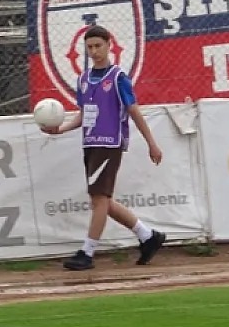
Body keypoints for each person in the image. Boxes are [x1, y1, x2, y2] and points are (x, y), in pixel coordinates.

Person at [39, 25, 166, 271]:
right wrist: (61, 129)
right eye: (90, 47)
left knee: (99, 199)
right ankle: (148, 236)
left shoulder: (118, 78)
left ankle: (87, 253)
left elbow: (134, 111)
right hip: (90, 144)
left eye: (98, 46)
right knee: (102, 200)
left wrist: (151, 142)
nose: (94, 51)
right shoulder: (84, 79)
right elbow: (84, 114)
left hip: (109, 143)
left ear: (109, 45)